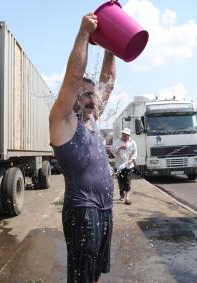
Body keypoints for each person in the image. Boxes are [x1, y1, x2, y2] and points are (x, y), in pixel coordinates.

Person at [49, 12, 116, 283]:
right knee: (81, 277)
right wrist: (84, 33)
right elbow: (74, 75)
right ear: (73, 97)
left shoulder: (92, 122)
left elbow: (109, 84)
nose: (94, 99)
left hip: (103, 209)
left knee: (95, 273)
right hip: (83, 211)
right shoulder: (63, 121)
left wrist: (112, 50)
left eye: (93, 95)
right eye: (87, 94)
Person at [112, 128, 137, 205]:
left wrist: (131, 160)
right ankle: (121, 193)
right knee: (120, 181)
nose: (124, 137)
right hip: (119, 165)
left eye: (126, 135)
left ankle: (127, 198)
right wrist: (120, 147)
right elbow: (112, 151)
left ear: (129, 135)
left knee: (127, 181)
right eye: (123, 135)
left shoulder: (133, 143)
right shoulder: (117, 142)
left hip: (128, 165)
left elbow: (135, 153)